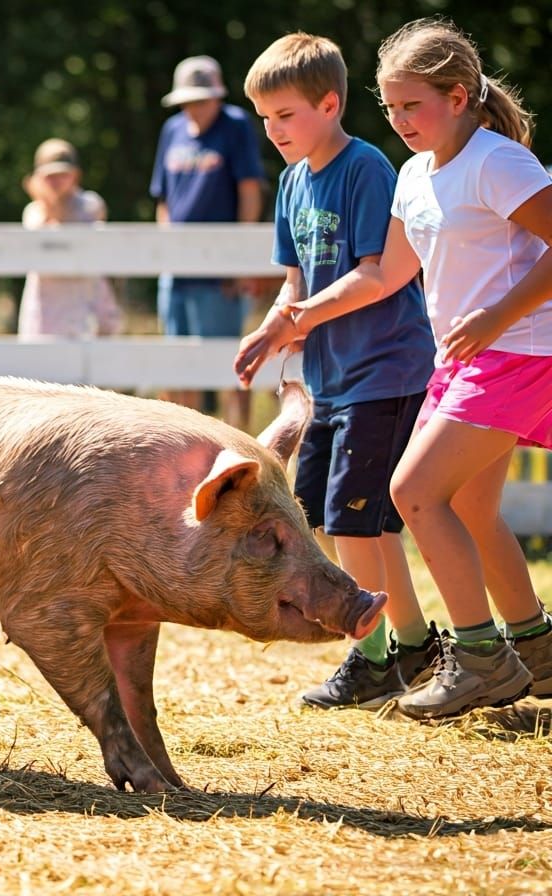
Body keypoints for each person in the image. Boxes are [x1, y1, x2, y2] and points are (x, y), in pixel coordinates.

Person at [252, 18, 552, 718]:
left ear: (458, 95)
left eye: (412, 104)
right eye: (389, 107)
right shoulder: (415, 175)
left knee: (414, 494)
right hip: (466, 358)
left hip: (516, 354)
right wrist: (293, 318)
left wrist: (496, 317)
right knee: (472, 507)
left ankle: (480, 659)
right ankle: (536, 650)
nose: (399, 120)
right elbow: (386, 274)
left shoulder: (495, 161)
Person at [234, 33, 439, 710]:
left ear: (329, 103)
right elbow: (295, 281)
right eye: (265, 119)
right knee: (331, 518)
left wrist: (298, 318)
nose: (274, 131)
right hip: (329, 380)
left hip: (385, 369)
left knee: (358, 523)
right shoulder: (293, 182)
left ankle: (384, 652)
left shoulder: (366, 168)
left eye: (286, 116)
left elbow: (376, 276)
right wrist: (271, 328)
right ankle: (408, 646)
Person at [150, 56, 265, 429]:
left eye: (202, 99)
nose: (195, 108)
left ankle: (239, 439)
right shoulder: (172, 130)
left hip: (219, 266)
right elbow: (163, 200)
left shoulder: (235, 126)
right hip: (178, 266)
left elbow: (249, 189)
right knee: (179, 365)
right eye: (188, 100)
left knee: (228, 363)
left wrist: (239, 258)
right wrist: (166, 253)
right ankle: (186, 441)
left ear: (217, 96)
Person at [17, 139, 119, 340]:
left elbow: (68, 222)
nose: (56, 182)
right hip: (45, 313)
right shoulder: (33, 211)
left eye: (62, 175)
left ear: (76, 176)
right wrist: (44, 201)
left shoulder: (91, 204)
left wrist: (48, 199)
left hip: (85, 309)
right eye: (49, 176)